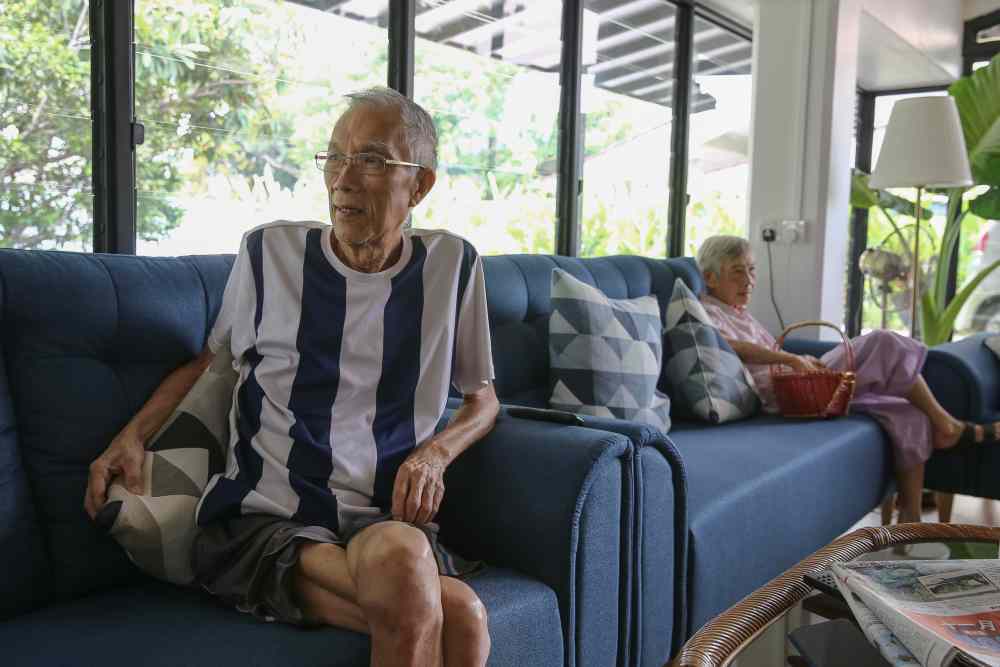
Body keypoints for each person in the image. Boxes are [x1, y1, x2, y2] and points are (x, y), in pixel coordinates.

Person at [84, 87, 499, 667]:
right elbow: (212, 364)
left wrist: (435, 455)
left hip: (381, 519)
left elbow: (483, 400)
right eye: (335, 156)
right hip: (265, 520)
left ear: (420, 185)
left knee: (438, 593)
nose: (343, 178)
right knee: (462, 617)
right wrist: (130, 436)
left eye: (373, 159)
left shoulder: (454, 268)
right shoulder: (268, 254)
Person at [696, 235, 1000, 525]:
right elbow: (727, 345)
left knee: (907, 412)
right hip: (786, 394)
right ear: (710, 278)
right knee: (883, 341)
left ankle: (910, 516)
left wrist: (796, 359)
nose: (749, 281)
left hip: (805, 382)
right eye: (738, 272)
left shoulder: (739, 312)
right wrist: (790, 359)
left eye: (751, 270)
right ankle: (946, 423)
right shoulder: (707, 311)